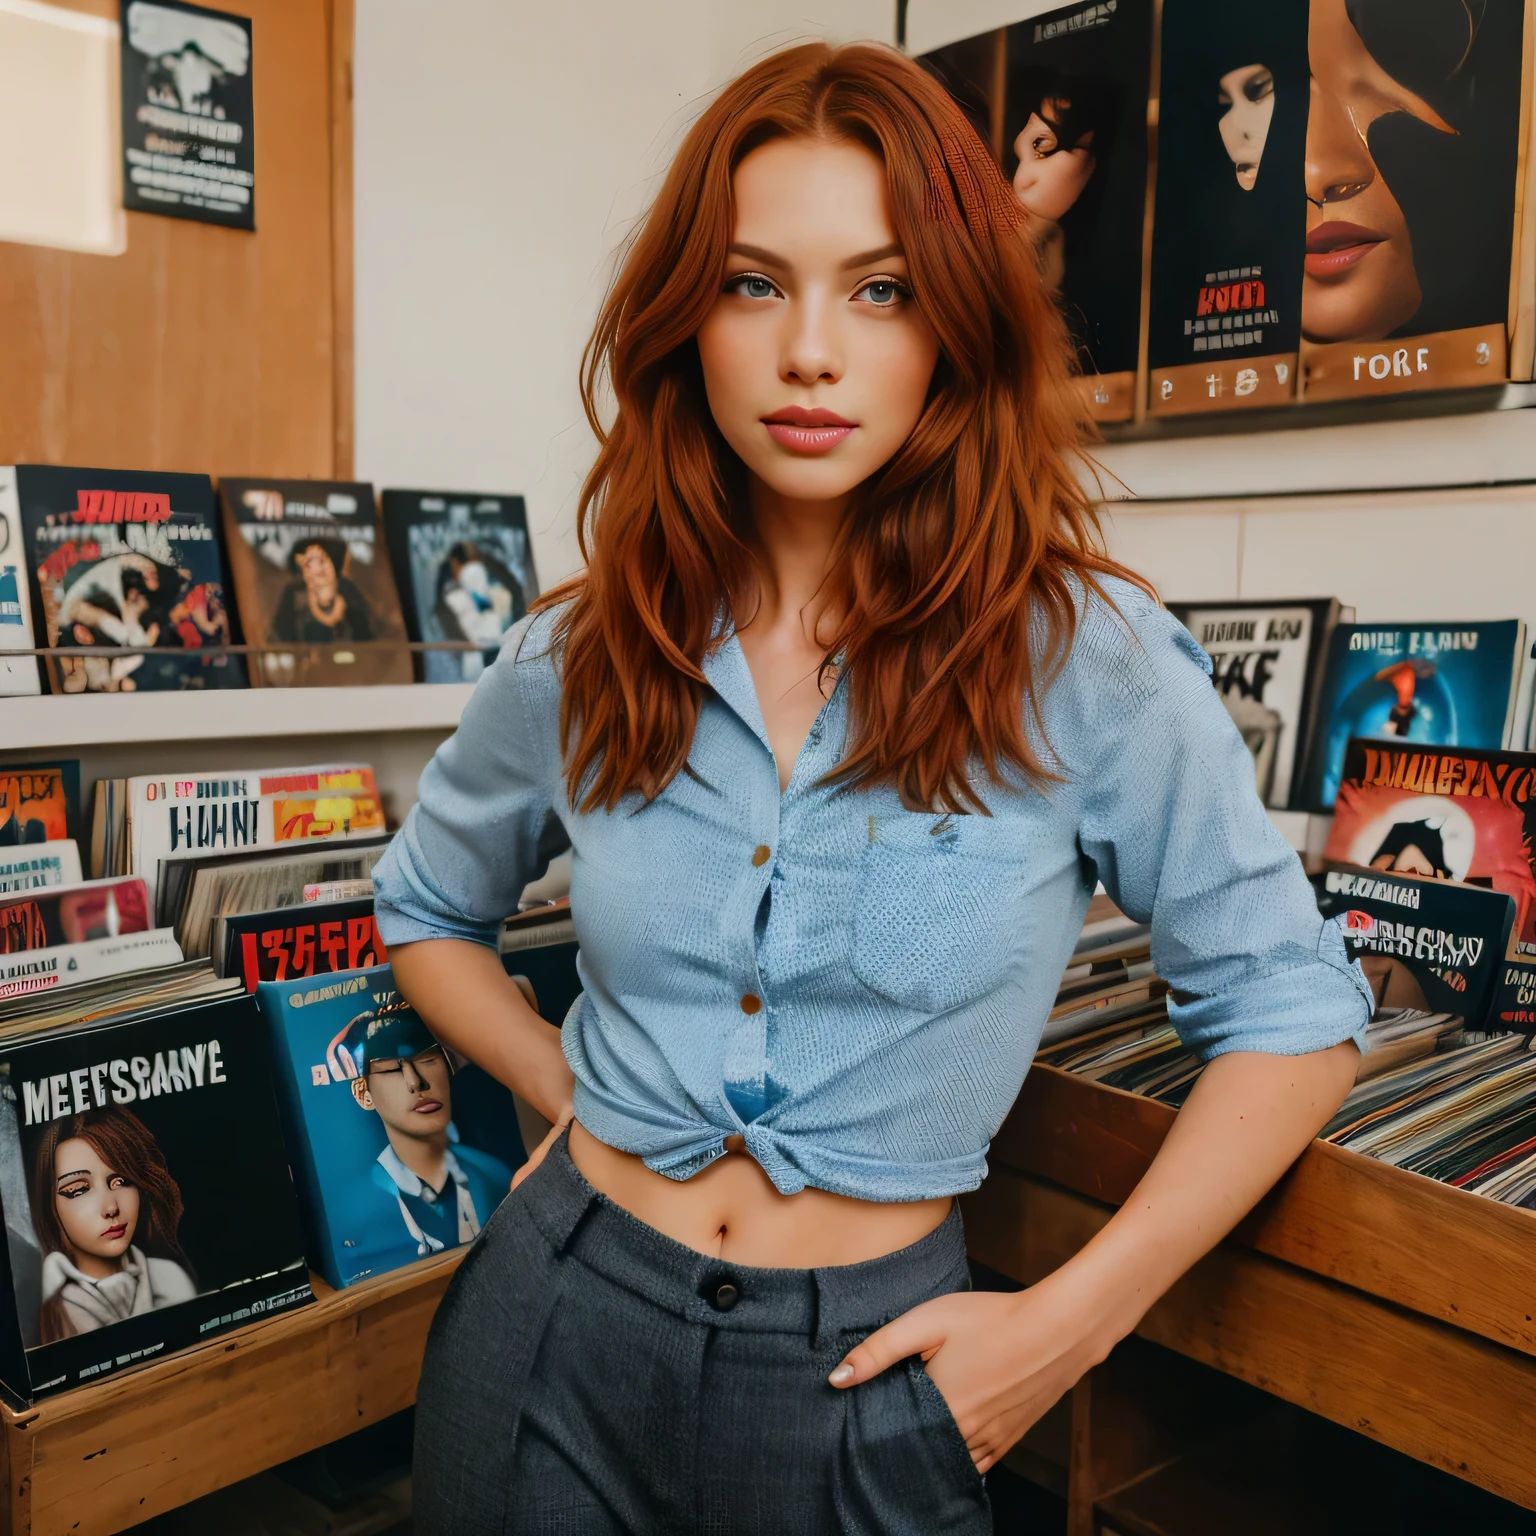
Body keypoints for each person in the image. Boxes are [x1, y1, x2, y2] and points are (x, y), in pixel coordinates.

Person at [374, 43, 1369, 1533]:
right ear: (683, 322)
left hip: (865, 1381)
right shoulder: (580, 653)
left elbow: (1294, 1018)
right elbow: (424, 909)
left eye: (882, 288)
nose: (812, 353)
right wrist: (561, 1087)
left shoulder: (1087, 660)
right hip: (552, 1330)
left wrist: (1069, 1326)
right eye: (755, 283)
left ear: (957, 324)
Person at [344, 1004, 512, 1256]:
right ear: (363, 1095)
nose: (416, 1082)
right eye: (391, 1069)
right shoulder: (355, 1210)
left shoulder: (496, 1176)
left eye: (427, 1060)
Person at [28, 1108, 197, 1344]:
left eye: (121, 1181)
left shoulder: (169, 1280)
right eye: (78, 1189)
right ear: (50, 1206)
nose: (110, 1208)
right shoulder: (39, 1308)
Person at [271, 537, 374, 645]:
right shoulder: (293, 594)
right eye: (309, 563)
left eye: (322, 560)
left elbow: (369, 636)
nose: (318, 569)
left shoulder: (348, 590)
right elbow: (279, 640)